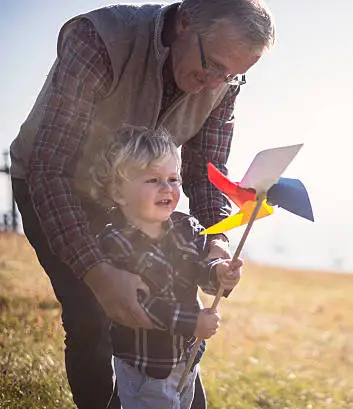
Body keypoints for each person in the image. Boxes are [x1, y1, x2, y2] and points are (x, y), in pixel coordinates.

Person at [9, 1, 275, 408]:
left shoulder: (223, 81)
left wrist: (218, 239)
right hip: (61, 186)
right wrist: (98, 274)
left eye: (232, 76)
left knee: (171, 303)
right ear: (185, 20)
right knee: (93, 315)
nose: (214, 84)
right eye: (213, 66)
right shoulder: (99, 41)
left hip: (141, 199)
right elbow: (51, 170)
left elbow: (208, 170)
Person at [90, 126, 242, 409]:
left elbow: (202, 272)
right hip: (146, 367)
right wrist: (192, 323)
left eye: (173, 178)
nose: (167, 188)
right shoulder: (115, 242)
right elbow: (141, 305)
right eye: (153, 179)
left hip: (184, 359)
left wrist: (220, 272)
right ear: (119, 192)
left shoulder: (187, 228)